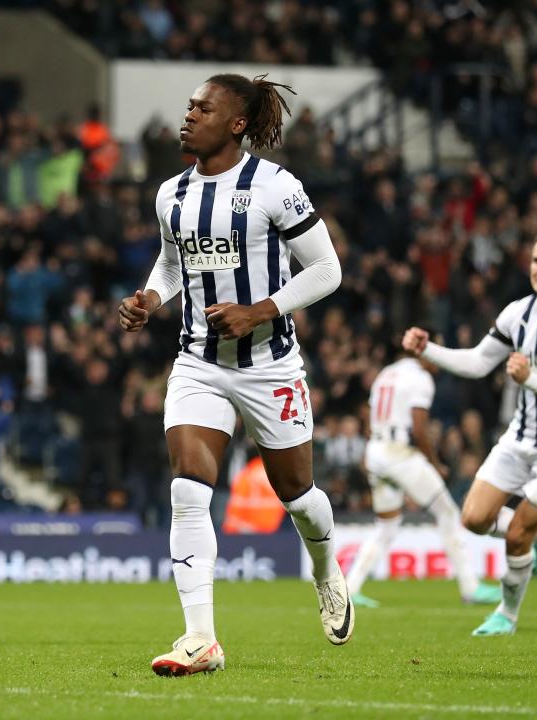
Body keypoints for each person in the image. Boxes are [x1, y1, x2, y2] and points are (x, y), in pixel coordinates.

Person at [118, 73, 346, 676]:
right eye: (188, 106)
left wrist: (262, 310)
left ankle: (325, 567)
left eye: (202, 108)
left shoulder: (275, 186)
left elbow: (327, 270)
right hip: (197, 362)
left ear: (237, 123)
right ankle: (201, 640)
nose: (188, 116)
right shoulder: (171, 194)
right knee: (189, 489)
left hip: (270, 365)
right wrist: (149, 298)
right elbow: (172, 264)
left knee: (298, 496)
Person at [402, 229, 537, 637]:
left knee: (516, 536)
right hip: (521, 436)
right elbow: (479, 362)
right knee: (474, 518)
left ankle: (507, 615)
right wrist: (429, 351)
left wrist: (529, 378)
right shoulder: (519, 313)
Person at [346, 350, 501, 608]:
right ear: (422, 354)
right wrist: (434, 462)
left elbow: (370, 418)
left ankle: (349, 589)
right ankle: (470, 588)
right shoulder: (420, 378)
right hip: (400, 453)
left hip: (377, 451)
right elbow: (419, 428)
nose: (437, 360)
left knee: (386, 526)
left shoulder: (386, 373)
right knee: (448, 513)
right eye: (434, 352)